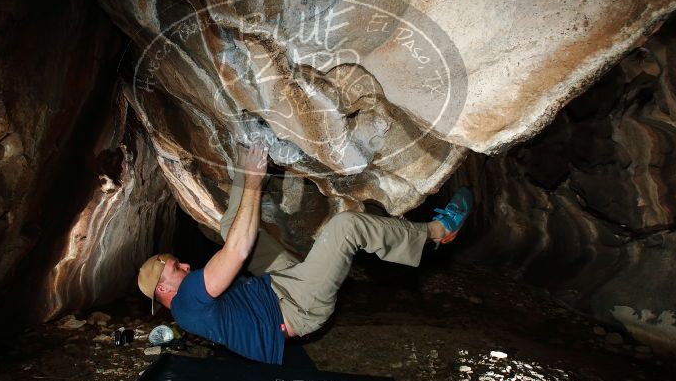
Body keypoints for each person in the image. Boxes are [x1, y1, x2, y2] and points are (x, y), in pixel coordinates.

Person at [137, 142, 473, 364]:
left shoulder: (188, 306)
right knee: (346, 227)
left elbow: (234, 243)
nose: (182, 263)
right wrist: (253, 182)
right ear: (164, 289)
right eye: (173, 266)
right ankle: (435, 234)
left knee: (228, 228)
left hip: (278, 286)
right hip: (298, 306)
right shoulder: (186, 301)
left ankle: (249, 156)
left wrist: (244, 173)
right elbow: (237, 252)